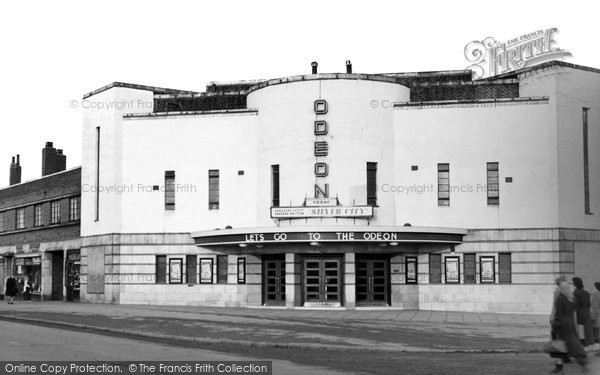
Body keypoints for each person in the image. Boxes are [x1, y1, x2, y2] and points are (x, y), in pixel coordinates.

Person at [553, 280, 587, 372]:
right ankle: (560, 367)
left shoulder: (561, 298)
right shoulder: (572, 297)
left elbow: (558, 314)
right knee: (569, 345)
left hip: (563, 324)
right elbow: (574, 311)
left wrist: (555, 325)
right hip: (570, 323)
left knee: (564, 345)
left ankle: (582, 364)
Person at [573, 277, 595, 350]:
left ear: (575, 284)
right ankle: (586, 346)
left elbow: (575, 304)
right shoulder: (586, 293)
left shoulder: (576, 293)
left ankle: (583, 346)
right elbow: (589, 304)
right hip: (587, 311)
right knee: (587, 329)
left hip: (580, 311)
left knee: (581, 329)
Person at [592, 282, 600, 354]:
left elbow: (595, 308)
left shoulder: (596, 295)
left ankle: (599, 351)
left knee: (597, 335)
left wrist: (592, 318)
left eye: (593, 287)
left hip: (597, 316)